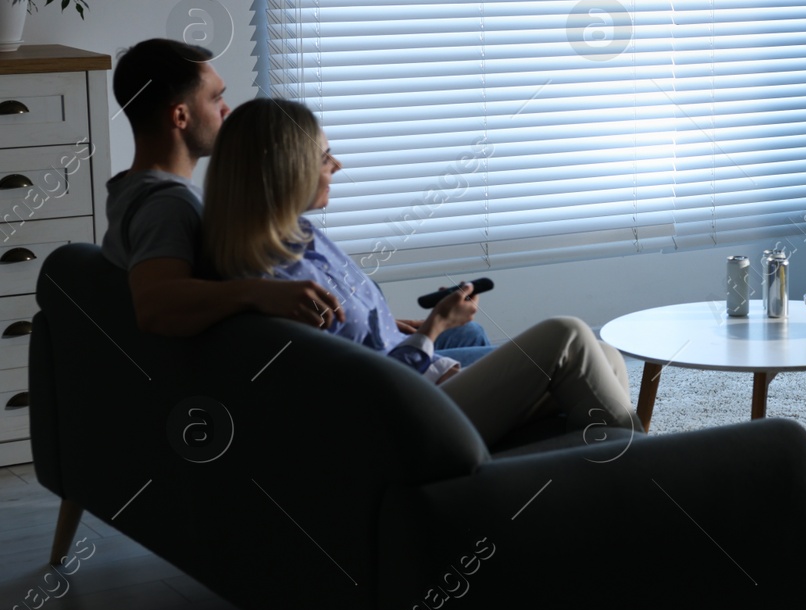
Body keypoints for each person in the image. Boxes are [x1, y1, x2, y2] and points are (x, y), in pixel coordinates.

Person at [199, 98, 637, 447]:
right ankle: (645, 473)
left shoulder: (303, 237)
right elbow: (364, 387)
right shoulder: (280, 287)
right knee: (568, 337)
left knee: (606, 357)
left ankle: (590, 477)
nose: (337, 166)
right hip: (400, 417)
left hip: (420, 381)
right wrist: (435, 328)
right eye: (325, 156)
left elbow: (365, 343)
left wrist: (418, 341)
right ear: (287, 170)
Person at [101, 38, 489, 357]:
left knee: (470, 338)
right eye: (215, 98)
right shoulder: (168, 205)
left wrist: (379, 322)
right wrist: (263, 293)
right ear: (181, 117)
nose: (227, 109)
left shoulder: (134, 190)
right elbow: (155, 306)